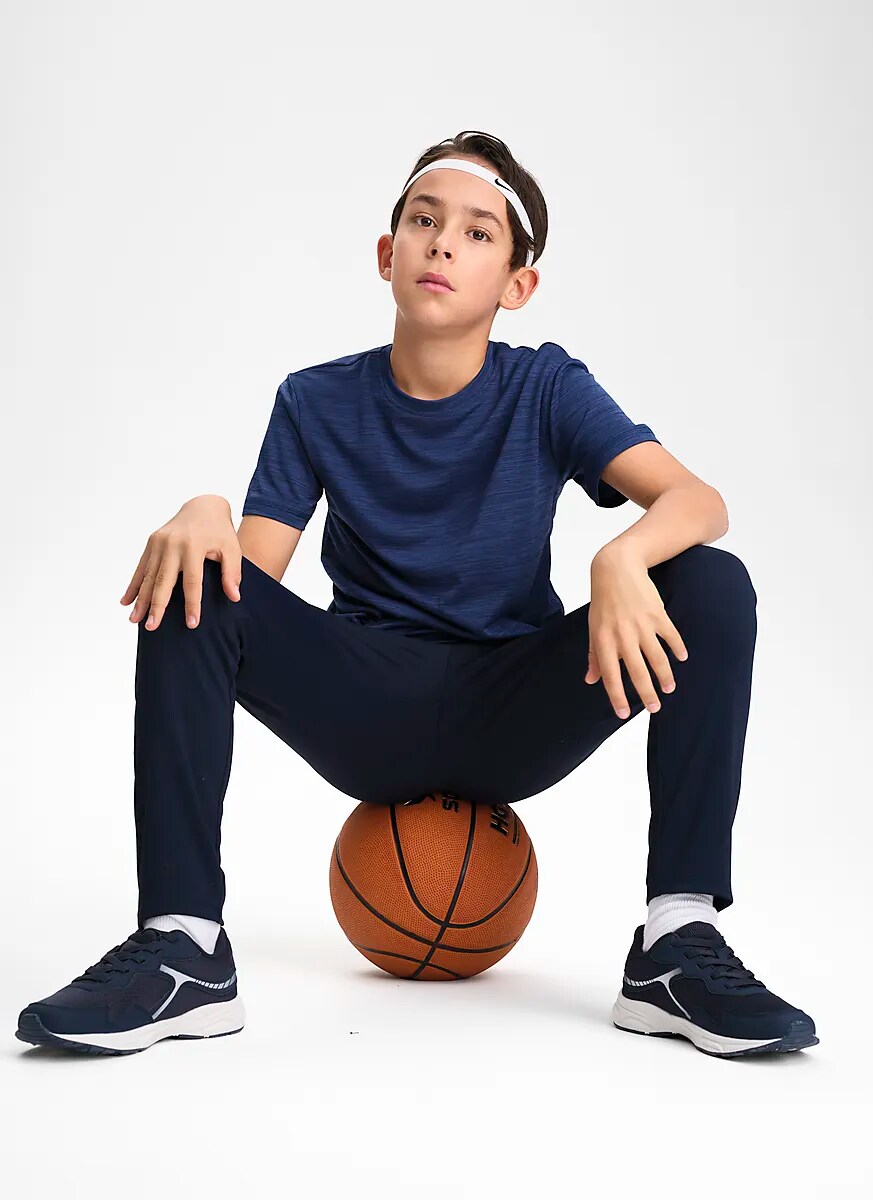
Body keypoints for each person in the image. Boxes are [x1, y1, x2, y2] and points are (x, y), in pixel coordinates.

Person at [16, 130, 817, 1059]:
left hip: (513, 704)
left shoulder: (546, 386)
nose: (443, 243)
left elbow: (698, 501)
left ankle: (677, 944)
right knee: (193, 581)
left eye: (478, 233)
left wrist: (621, 559)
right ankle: (182, 945)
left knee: (710, 583)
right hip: (369, 705)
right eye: (424, 221)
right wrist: (206, 512)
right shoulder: (315, 399)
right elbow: (249, 586)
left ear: (517, 284)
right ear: (387, 253)